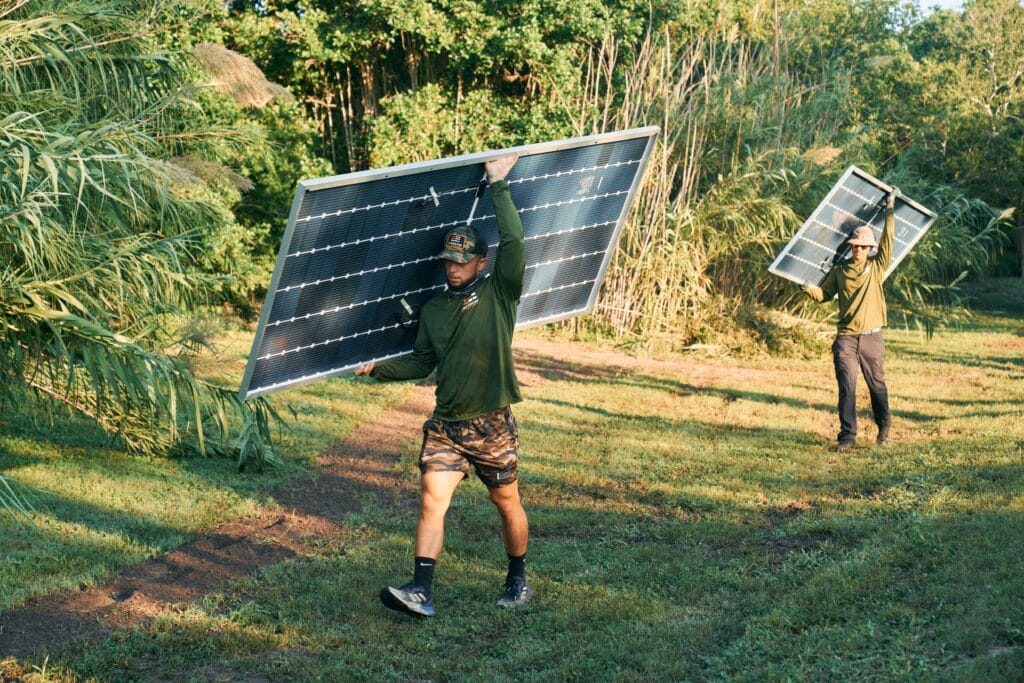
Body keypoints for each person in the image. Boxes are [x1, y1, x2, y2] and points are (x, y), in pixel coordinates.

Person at [354, 153, 531, 617]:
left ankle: (518, 578)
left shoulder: (499, 293)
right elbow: (420, 363)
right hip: (447, 425)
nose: (452, 268)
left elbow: (515, 242)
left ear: (480, 261)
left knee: (506, 501)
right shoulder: (432, 310)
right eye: (448, 261)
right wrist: (377, 369)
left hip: (492, 423)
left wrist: (499, 185)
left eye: (461, 261)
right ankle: (421, 589)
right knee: (432, 499)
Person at [803, 188, 898, 450]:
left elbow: (889, 240)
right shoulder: (840, 270)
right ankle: (847, 437)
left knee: (877, 385)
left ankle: (884, 430)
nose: (859, 250)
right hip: (846, 338)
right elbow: (824, 294)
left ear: (870, 249)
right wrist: (808, 288)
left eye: (864, 247)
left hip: (872, 338)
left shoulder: (876, 267)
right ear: (851, 246)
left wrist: (890, 208)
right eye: (855, 246)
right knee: (847, 388)